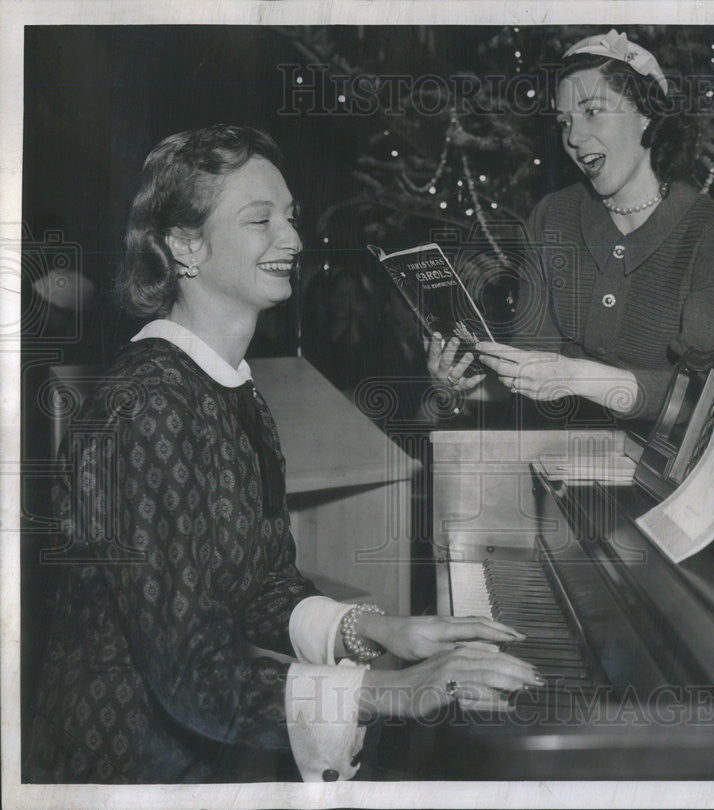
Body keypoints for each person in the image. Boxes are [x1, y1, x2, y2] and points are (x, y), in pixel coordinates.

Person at [25, 124, 540, 784]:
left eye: (290, 217)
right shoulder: (143, 403)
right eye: (259, 220)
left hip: (204, 754)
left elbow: (267, 591)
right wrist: (392, 690)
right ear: (185, 244)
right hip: (125, 768)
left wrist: (386, 631)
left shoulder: (234, 387)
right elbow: (193, 670)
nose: (292, 239)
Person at [428, 29, 714, 424]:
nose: (574, 137)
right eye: (564, 122)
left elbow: (701, 397)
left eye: (593, 111)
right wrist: (465, 385)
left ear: (647, 115)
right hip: (561, 450)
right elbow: (533, 369)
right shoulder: (551, 216)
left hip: (659, 469)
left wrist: (577, 376)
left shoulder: (709, 229)